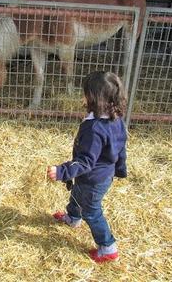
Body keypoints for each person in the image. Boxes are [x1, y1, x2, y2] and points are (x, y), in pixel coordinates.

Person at [47, 71, 128, 263]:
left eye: (85, 93)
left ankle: (108, 247)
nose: (82, 96)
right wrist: (120, 169)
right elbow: (120, 147)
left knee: (91, 211)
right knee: (77, 193)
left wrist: (61, 171)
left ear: (94, 97)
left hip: (93, 178)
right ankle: (73, 217)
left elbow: (85, 162)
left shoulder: (94, 129)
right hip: (102, 175)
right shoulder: (115, 120)